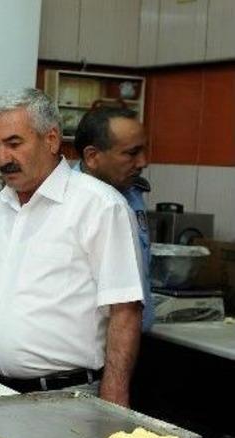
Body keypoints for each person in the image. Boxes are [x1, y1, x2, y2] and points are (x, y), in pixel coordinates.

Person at [0, 88, 144, 407]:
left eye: (14, 143)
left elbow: (125, 311)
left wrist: (114, 403)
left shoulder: (100, 207)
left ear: (51, 139)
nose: (3, 157)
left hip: (67, 397)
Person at [74, 107, 154, 332]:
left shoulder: (132, 193)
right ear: (92, 157)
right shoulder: (67, 204)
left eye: (143, 151)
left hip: (137, 335)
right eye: (131, 153)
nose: (143, 162)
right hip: (95, 348)